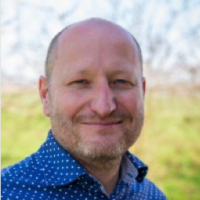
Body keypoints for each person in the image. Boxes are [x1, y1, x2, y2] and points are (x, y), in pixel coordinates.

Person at [1, 18, 167, 200]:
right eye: (80, 82)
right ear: (46, 95)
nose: (104, 107)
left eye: (121, 81)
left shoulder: (152, 195)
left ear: (142, 92)